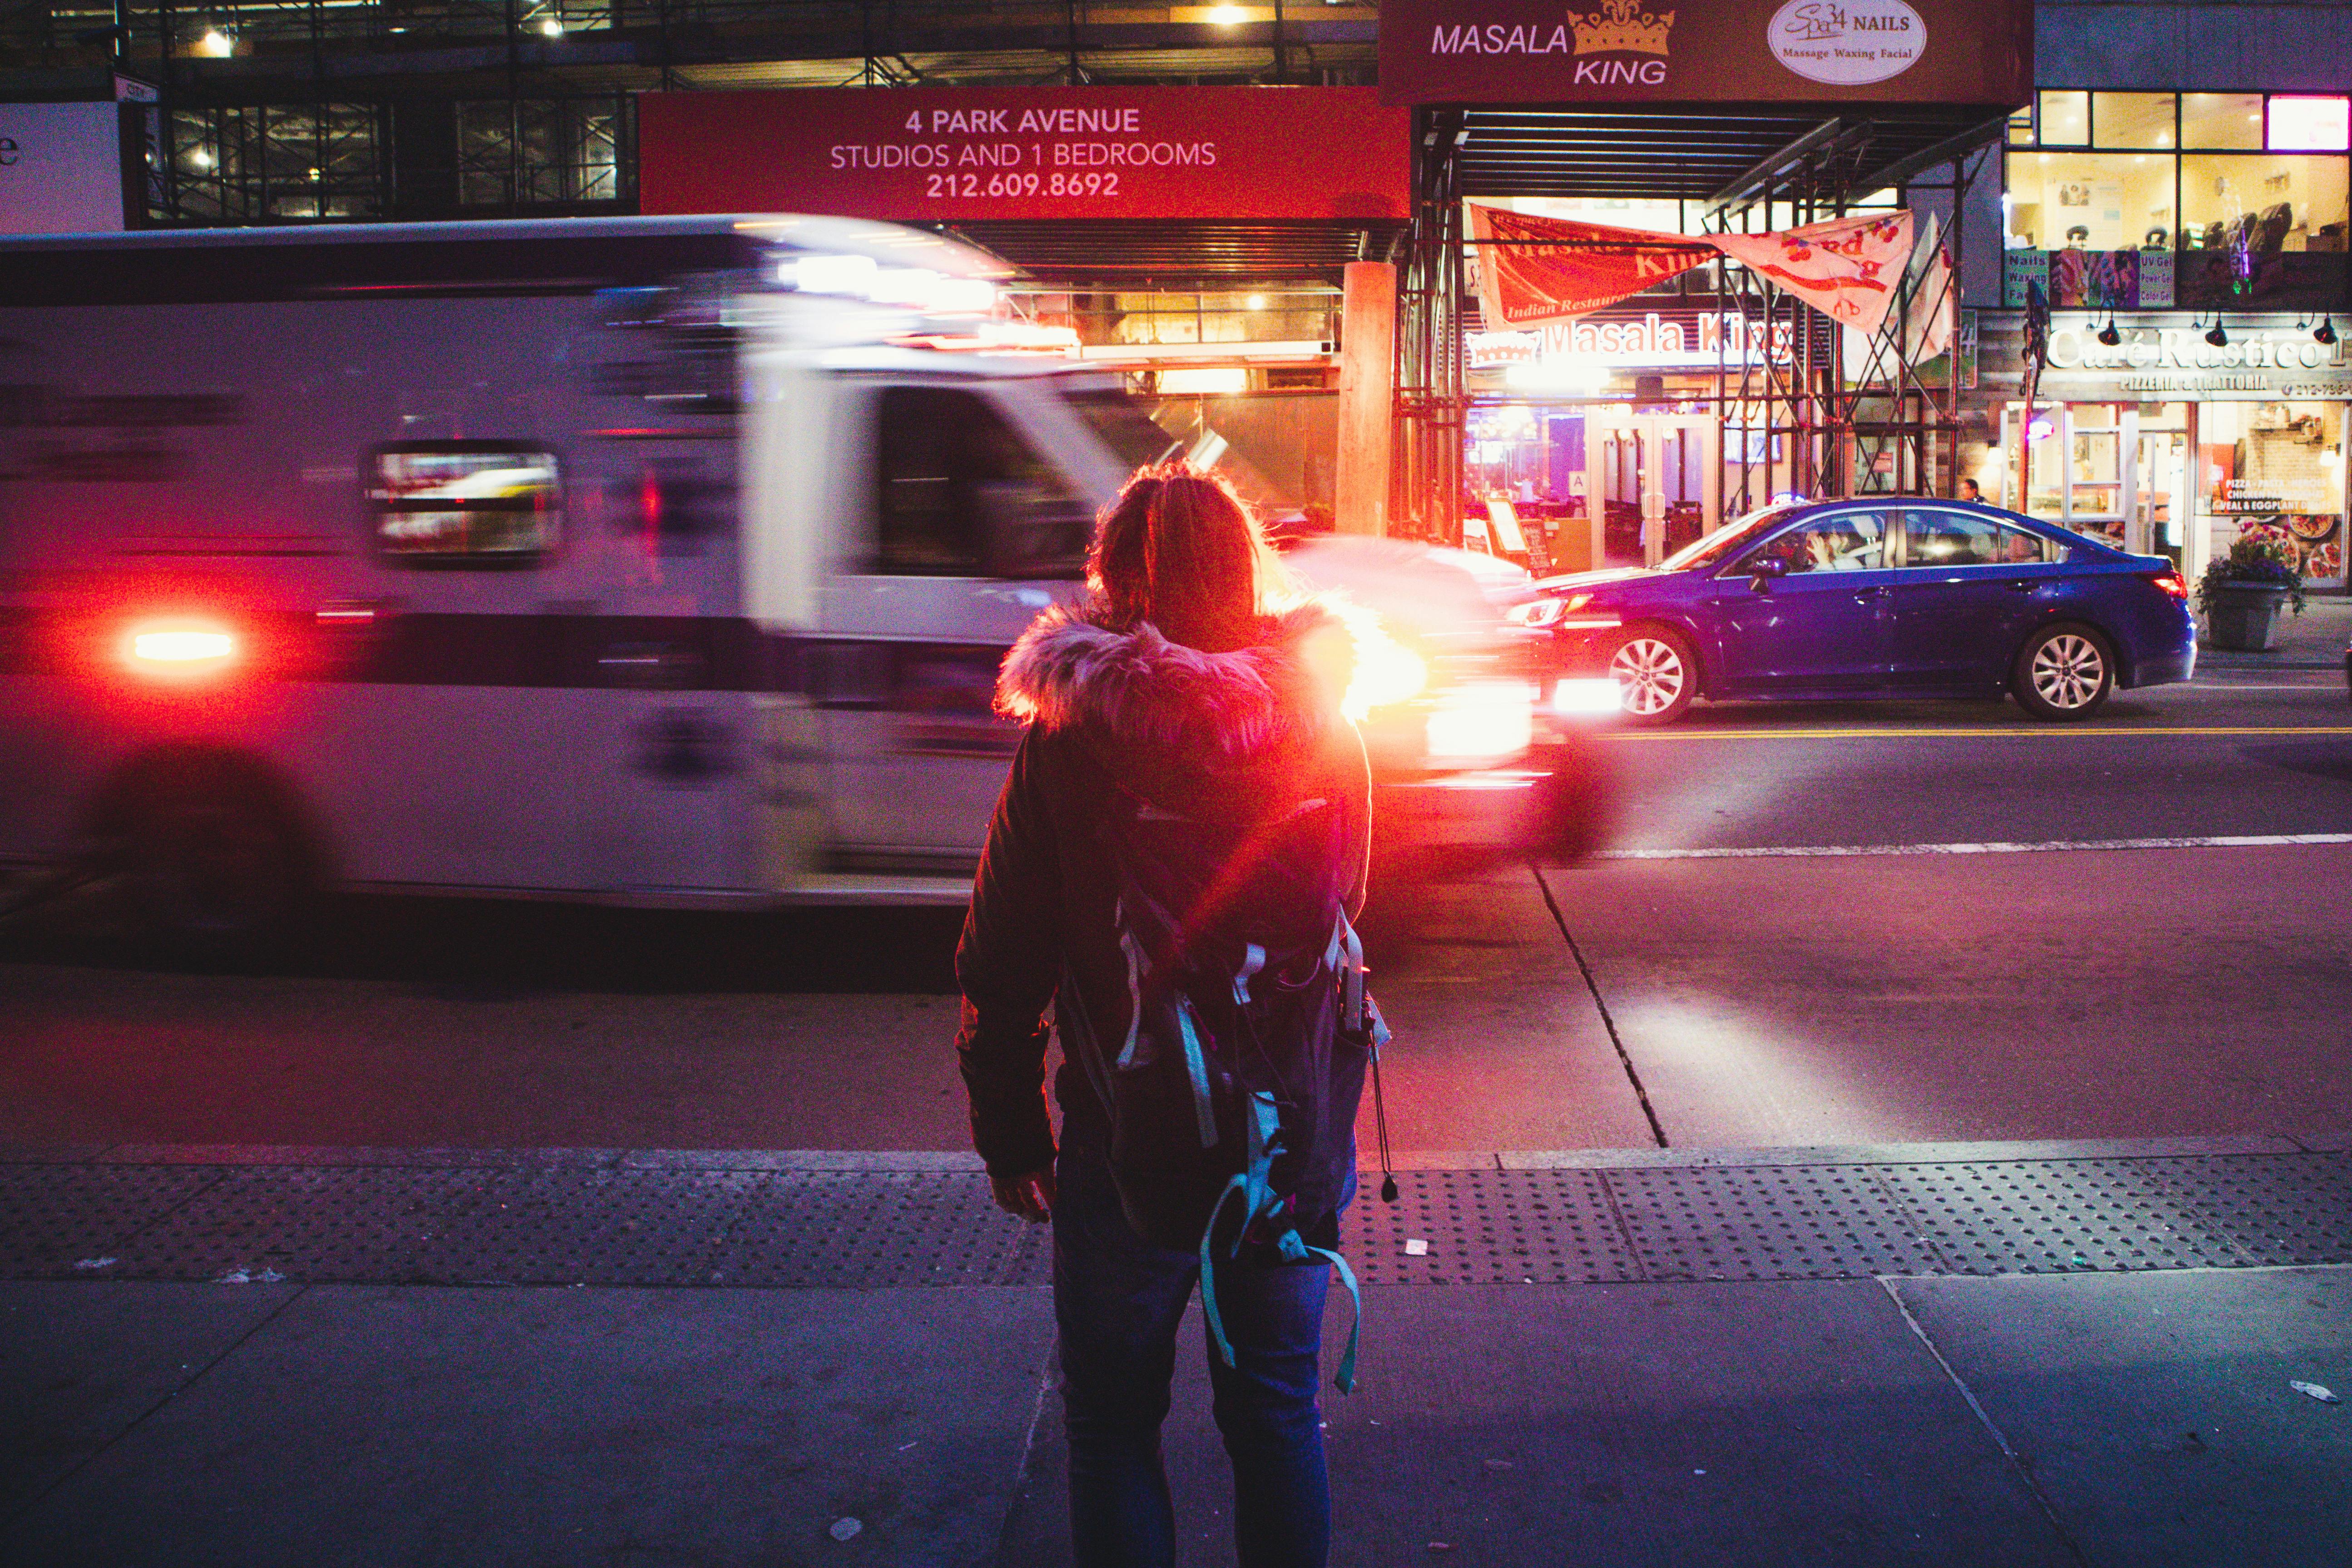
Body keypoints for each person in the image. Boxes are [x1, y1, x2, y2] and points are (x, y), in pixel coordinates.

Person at [957, 461, 1372, 1568]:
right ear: (1244, 568)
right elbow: (1347, 905)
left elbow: (1003, 956)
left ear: (1113, 576)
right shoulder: (1325, 723)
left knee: (1111, 1421)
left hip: (1125, 1137)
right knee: (1277, 1413)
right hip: (1284, 1140)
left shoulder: (1070, 737)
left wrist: (1010, 1133)